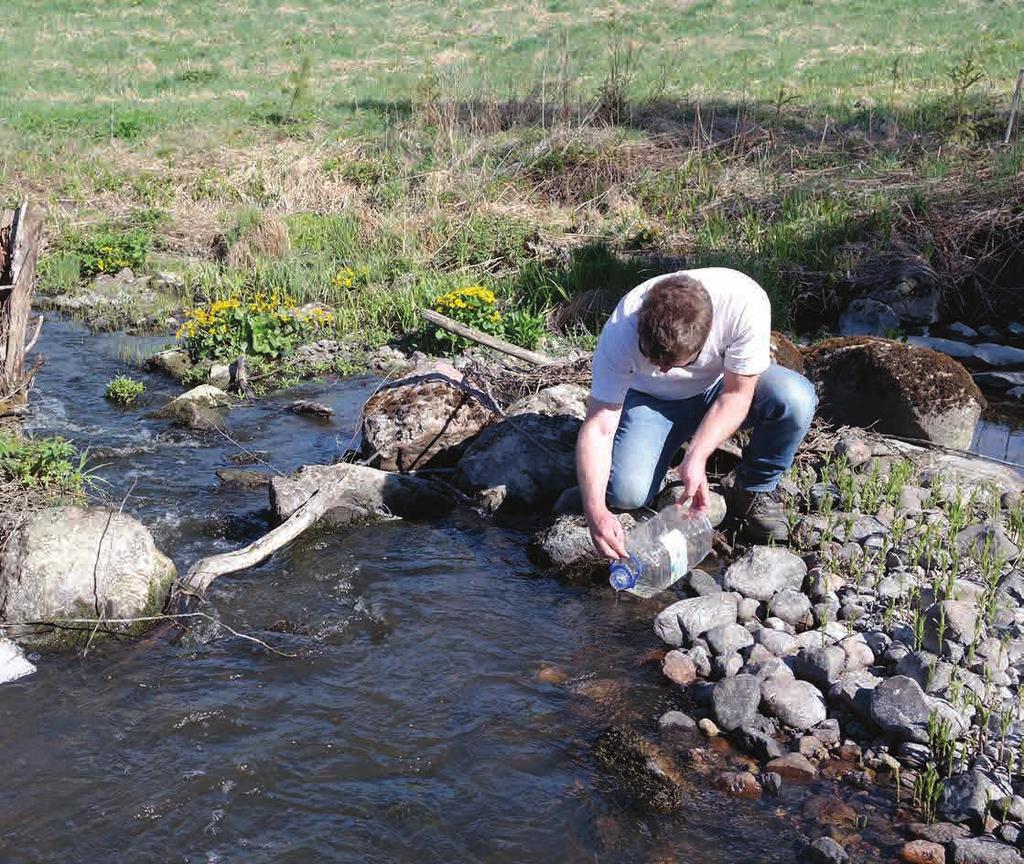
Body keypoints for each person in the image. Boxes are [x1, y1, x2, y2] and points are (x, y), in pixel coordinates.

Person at [575, 267, 817, 560]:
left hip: (722, 386)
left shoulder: (744, 302)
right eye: (653, 358)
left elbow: (737, 393)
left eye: (673, 362)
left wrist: (697, 456)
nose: (662, 369)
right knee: (627, 494)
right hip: (652, 401)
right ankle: (657, 446)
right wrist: (596, 511)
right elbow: (599, 425)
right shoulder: (622, 327)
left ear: (704, 340)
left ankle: (753, 488)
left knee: (795, 397)